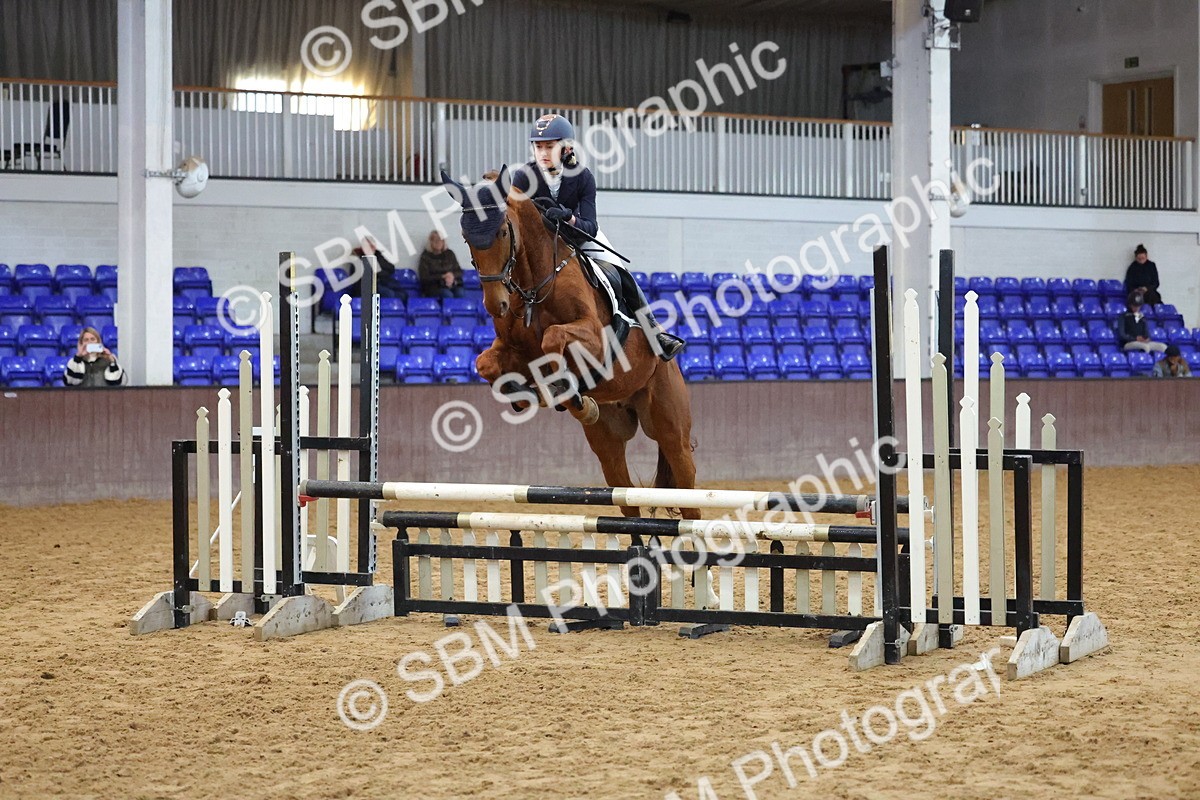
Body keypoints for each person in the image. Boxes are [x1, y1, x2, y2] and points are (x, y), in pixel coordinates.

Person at [509, 113, 685, 361]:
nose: (543, 153)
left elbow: (590, 226)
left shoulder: (582, 176)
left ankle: (655, 331)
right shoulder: (523, 178)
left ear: (566, 147)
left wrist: (568, 218)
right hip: (542, 245)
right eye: (538, 147)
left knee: (621, 273)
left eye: (549, 146)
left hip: (578, 237)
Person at [418, 231, 465, 299]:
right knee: (447, 295)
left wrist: (451, 275)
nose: (439, 242)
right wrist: (443, 276)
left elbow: (459, 271)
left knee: (460, 293)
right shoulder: (425, 256)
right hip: (434, 286)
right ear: (431, 242)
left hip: (452, 284)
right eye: (436, 240)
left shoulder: (450, 254)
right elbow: (424, 277)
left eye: (441, 240)